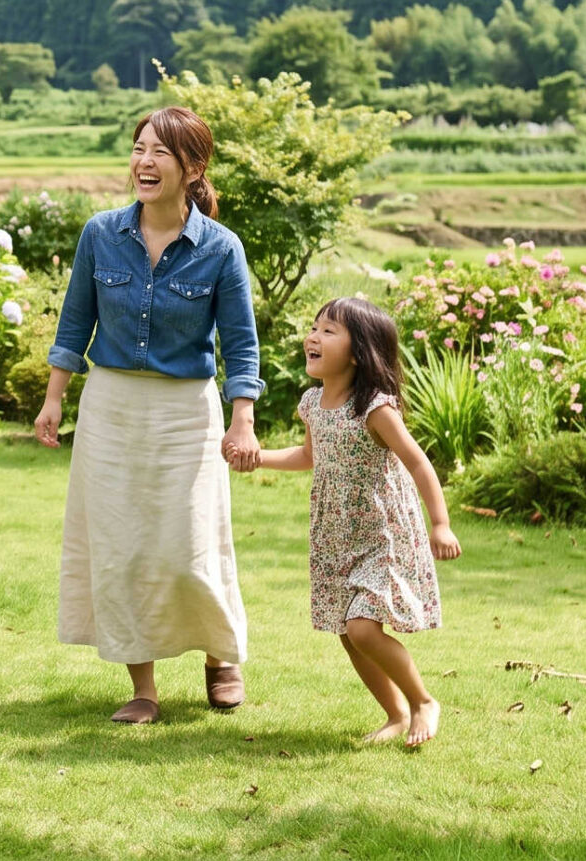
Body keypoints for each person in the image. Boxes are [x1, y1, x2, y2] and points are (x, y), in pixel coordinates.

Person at [33, 105, 264, 724]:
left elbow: (241, 343)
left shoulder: (221, 248)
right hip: (110, 408)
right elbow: (74, 323)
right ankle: (143, 687)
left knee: (189, 544)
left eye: (160, 151)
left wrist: (242, 417)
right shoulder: (100, 234)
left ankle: (220, 656)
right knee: (121, 547)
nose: (145, 161)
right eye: (139, 149)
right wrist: (54, 397)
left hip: (186, 412)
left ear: (193, 168)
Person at [242, 296, 462, 747]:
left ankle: (422, 701)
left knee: (363, 626)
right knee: (348, 632)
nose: (313, 336)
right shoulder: (311, 403)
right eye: (314, 327)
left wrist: (440, 524)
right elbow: (308, 455)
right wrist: (258, 457)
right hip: (337, 533)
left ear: (359, 352)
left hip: (382, 532)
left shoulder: (375, 408)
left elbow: (418, 463)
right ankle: (395, 714)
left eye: (329, 331)